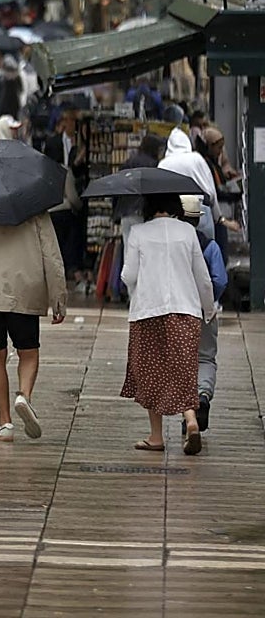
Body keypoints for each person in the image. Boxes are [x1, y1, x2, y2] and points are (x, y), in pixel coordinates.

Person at [120, 194, 215, 455]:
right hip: (185, 311)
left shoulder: (138, 232)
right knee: (182, 369)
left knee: (151, 373)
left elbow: (129, 276)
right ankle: (191, 420)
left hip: (147, 312)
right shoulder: (188, 232)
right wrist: (209, 310)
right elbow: (203, 278)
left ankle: (156, 436)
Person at [0, 213, 67, 443]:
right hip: (25, 291)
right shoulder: (37, 210)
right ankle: (24, 396)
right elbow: (52, 256)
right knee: (28, 352)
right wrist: (58, 298)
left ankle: (4, 422)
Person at [180, 194, 227, 436]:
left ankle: (187, 413)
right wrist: (210, 299)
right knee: (206, 359)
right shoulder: (209, 245)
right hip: (205, 309)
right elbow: (220, 279)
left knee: (183, 360)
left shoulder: (175, 245)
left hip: (179, 309)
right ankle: (203, 395)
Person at [44, 109, 90, 293]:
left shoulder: (77, 146)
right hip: (61, 200)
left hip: (72, 200)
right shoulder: (55, 143)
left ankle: (70, 271)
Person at [159, 126, 230, 241]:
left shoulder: (163, 164)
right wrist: (218, 216)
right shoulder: (196, 159)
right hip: (199, 208)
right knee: (205, 250)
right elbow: (210, 191)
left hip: (174, 213)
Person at [115, 134, 164, 243]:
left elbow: (118, 187)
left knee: (128, 249)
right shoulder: (153, 165)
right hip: (142, 211)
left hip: (125, 211)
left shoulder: (128, 162)